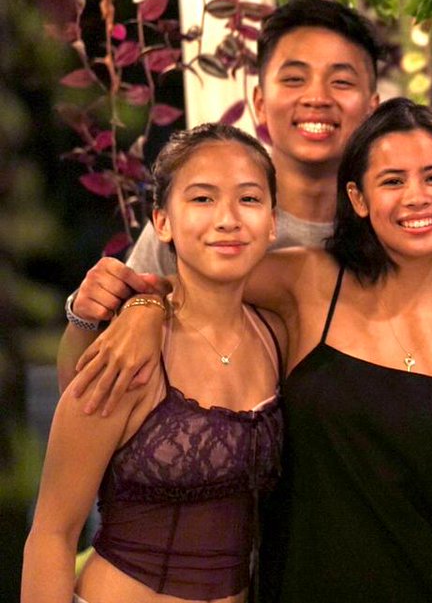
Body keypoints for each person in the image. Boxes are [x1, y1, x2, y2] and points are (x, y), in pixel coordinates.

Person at [78, 98, 432, 603]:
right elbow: (198, 282)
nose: (416, 197)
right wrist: (145, 306)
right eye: (393, 181)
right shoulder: (308, 279)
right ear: (358, 198)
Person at [60, 0, 381, 407]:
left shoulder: (389, 227)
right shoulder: (202, 223)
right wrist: (104, 311)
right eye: (294, 79)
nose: (317, 97)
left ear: (372, 108)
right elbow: (86, 395)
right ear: (259, 102)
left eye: (341, 82)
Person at [23, 124, 287, 603]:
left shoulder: (277, 337)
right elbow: (52, 535)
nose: (227, 219)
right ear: (162, 222)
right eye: (203, 199)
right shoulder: (126, 352)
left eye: (248, 199)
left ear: (272, 221)